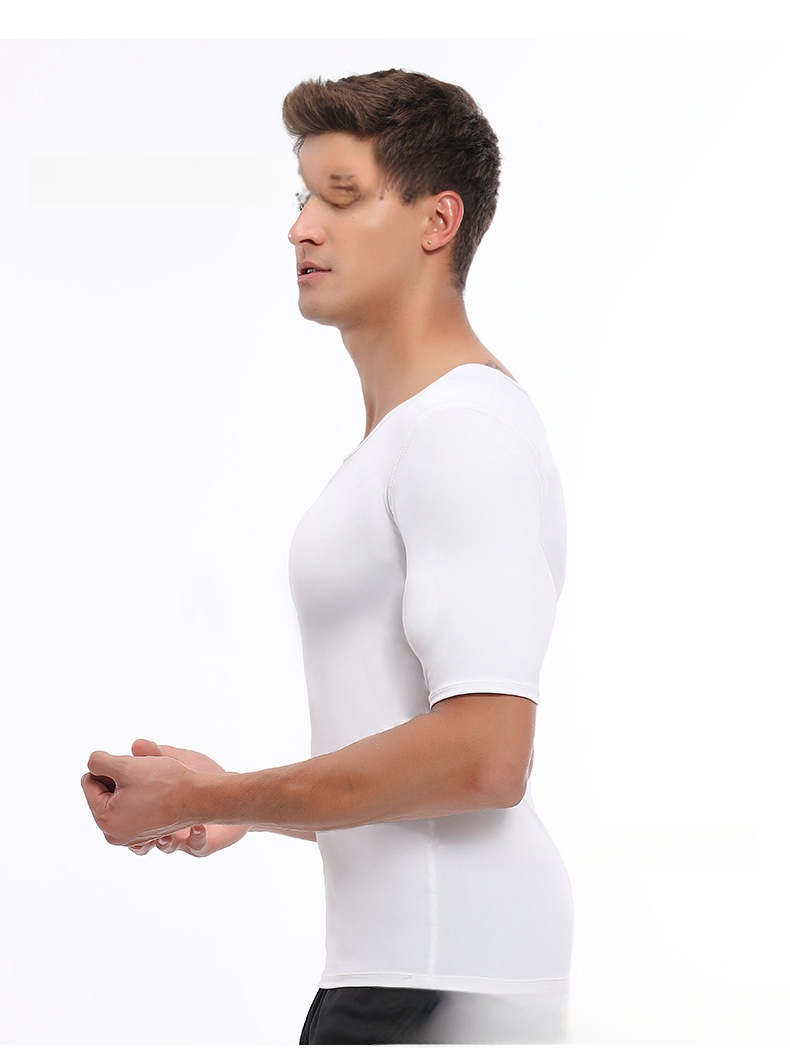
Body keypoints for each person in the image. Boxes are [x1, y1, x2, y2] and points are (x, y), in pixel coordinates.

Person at [82, 69, 573, 1044]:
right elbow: (422, 765)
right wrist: (248, 806)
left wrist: (209, 794)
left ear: (437, 221)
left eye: (341, 197)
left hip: (442, 978)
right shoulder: (411, 438)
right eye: (303, 196)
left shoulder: (463, 432)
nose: (301, 228)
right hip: (415, 969)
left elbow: (484, 757)